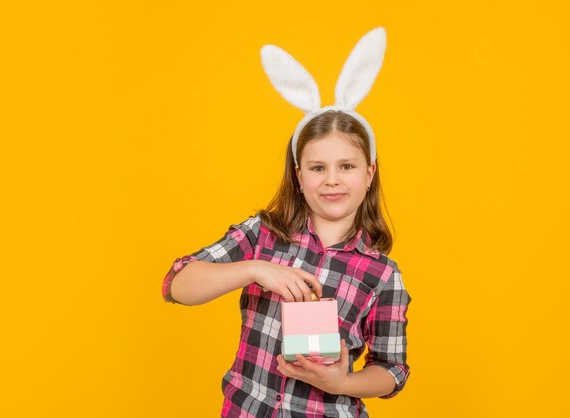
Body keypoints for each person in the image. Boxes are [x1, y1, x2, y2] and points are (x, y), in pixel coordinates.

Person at [161, 28, 411, 417]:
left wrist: (342, 383)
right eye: (317, 167)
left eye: (346, 166)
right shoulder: (262, 234)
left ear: (369, 174)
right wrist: (255, 269)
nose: (331, 179)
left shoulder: (382, 274)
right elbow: (177, 284)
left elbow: (392, 369)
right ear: (298, 175)